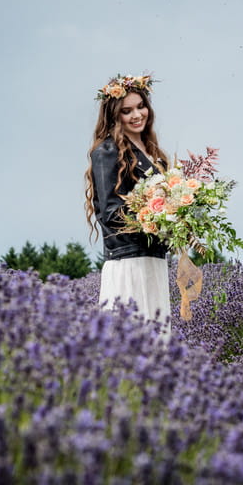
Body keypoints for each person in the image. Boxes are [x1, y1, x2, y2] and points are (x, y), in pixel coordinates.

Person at [84, 73, 172, 341]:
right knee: (129, 346)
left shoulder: (153, 153)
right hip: (128, 262)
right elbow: (110, 213)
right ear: (114, 115)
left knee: (157, 347)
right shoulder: (107, 152)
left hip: (154, 261)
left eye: (141, 106)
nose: (137, 115)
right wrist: (157, 217)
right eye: (127, 110)